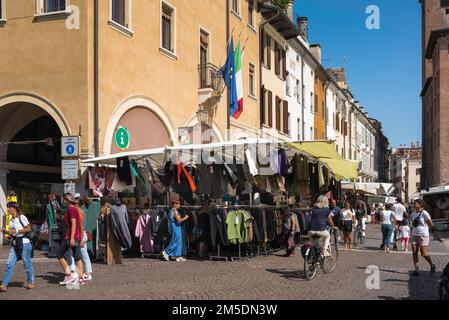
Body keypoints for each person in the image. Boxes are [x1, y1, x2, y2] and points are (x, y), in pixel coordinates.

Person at [0, 201, 35, 292]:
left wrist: (16, 231)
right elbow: (13, 232)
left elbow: (28, 228)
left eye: (9, 207)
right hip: (15, 243)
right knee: (9, 264)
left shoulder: (22, 217)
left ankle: (31, 282)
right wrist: (6, 232)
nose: (7, 209)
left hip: (24, 243)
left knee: (27, 264)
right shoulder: (11, 220)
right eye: (7, 207)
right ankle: (4, 284)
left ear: (14, 208)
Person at [57, 193, 84, 285]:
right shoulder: (75, 209)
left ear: (66, 200)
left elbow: (74, 223)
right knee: (77, 257)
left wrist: (71, 237)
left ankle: (69, 275)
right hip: (75, 236)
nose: (63, 201)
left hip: (70, 236)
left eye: (63, 199)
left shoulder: (71, 209)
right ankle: (80, 278)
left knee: (60, 255)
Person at [410, 199, 436, 276]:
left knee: (424, 253)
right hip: (414, 235)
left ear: (421, 204)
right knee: (414, 252)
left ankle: (432, 264)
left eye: (416, 203)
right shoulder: (413, 213)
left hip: (423, 235)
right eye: (414, 203)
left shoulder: (425, 213)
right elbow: (412, 224)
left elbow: (430, 224)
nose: (414, 204)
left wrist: (431, 231)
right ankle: (416, 270)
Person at [76, 198, 93, 281]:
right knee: (85, 255)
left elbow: (81, 227)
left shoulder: (80, 211)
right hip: (84, 234)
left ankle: (81, 273)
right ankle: (88, 273)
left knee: (75, 254)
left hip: (81, 235)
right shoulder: (84, 210)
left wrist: (81, 239)